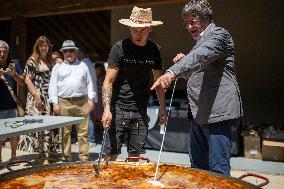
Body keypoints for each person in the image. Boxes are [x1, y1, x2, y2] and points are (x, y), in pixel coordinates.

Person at [151, 0, 243, 176]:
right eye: (186, 23)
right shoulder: (199, 42)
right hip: (199, 114)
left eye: (193, 21)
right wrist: (184, 63)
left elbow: (201, 56)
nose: (189, 27)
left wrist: (173, 71)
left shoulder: (219, 35)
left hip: (218, 113)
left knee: (218, 171)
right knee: (198, 168)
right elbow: (199, 68)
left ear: (207, 18)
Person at [102, 6, 166, 161]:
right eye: (135, 30)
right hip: (117, 108)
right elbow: (108, 81)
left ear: (149, 28)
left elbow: (159, 82)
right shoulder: (119, 48)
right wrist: (106, 109)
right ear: (130, 27)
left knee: (135, 157)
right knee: (111, 155)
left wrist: (162, 107)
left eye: (143, 30)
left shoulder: (154, 50)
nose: (138, 34)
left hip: (140, 109)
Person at [48, 40, 96, 161]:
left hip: (82, 102)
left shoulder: (83, 65)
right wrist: (55, 103)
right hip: (64, 103)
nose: (68, 53)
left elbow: (90, 83)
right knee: (64, 133)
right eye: (66, 51)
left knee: (83, 133)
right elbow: (53, 86)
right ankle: (66, 158)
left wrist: (91, 99)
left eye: (71, 50)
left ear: (76, 52)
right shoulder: (57, 67)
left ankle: (84, 157)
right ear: (62, 53)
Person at [18, 36, 59, 163]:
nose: (43, 48)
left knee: (49, 127)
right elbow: (27, 80)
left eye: (46, 45)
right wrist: (36, 96)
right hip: (38, 98)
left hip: (50, 98)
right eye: (41, 45)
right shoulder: (32, 60)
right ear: (37, 47)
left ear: (49, 47)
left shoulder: (51, 61)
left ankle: (49, 154)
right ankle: (41, 156)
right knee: (40, 127)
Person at [0, 40, 25, 163]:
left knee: (14, 134)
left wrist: (14, 75)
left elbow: (22, 82)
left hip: (12, 106)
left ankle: (14, 157)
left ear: (8, 52)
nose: (2, 53)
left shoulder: (13, 65)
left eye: (5, 51)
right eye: (0, 51)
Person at [77, 49, 98, 145]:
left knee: (87, 118)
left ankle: (91, 139)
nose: (75, 55)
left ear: (81, 53)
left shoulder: (84, 63)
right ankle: (88, 139)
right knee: (88, 118)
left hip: (86, 95)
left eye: (77, 53)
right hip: (90, 94)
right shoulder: (88, 63)